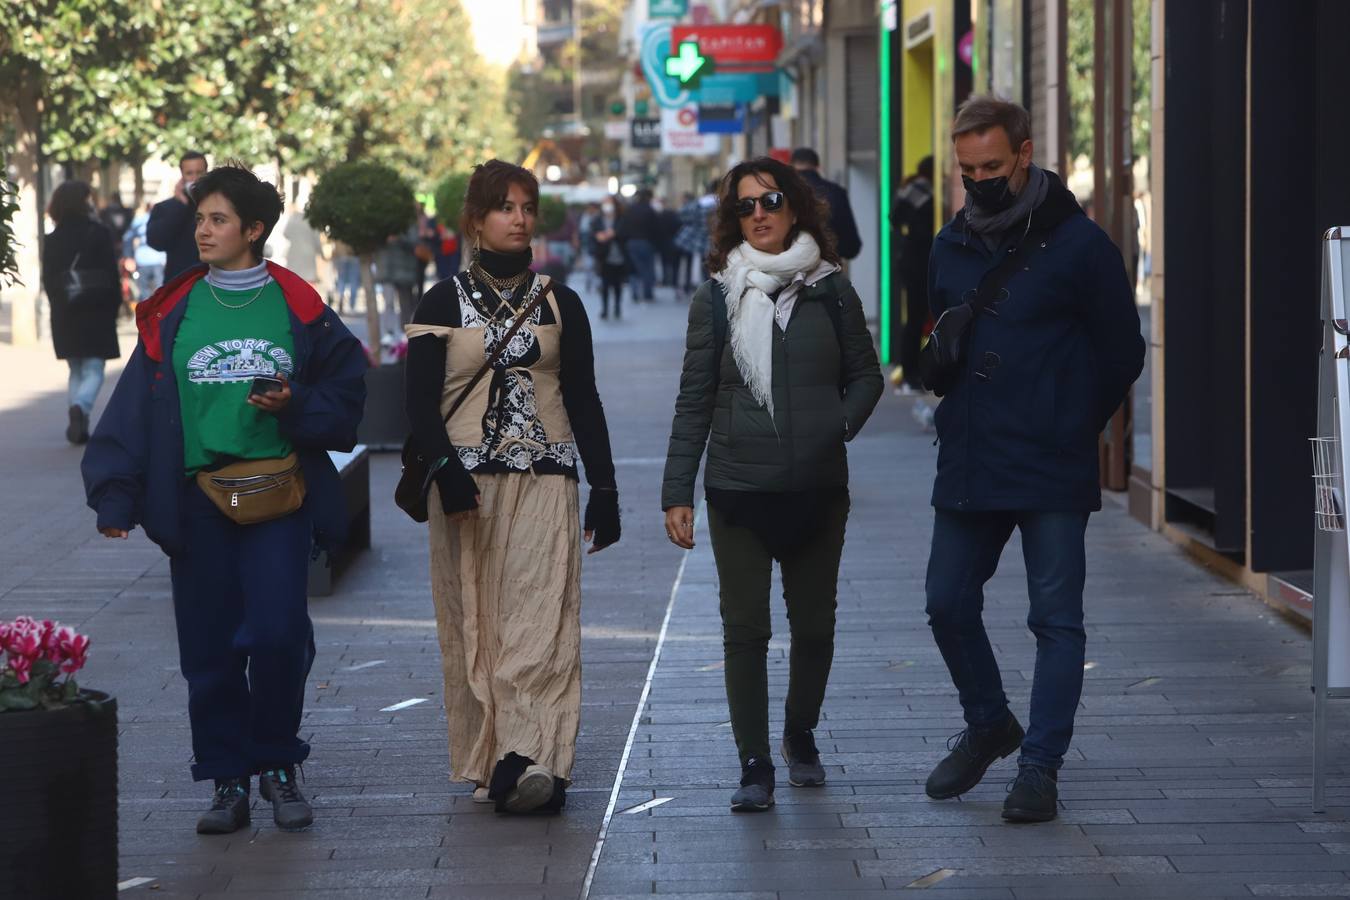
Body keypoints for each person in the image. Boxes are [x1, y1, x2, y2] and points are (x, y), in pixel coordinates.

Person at [82, 163, 367, 836]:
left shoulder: (297, 304)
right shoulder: (175, 309)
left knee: (275, 633)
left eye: (217, 220)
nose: (202, 230)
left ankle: (277, 763)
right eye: (199, 220)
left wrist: (297, 404)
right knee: (208, 650)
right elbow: (131, 409)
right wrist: (116, 497)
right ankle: (227, 778)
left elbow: (349, 386)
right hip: (198, 502)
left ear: (253, 229)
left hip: (280, 497)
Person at [921, 96, 1145, 823]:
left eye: (992, 166)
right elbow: (928, 332)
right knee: (946, 601)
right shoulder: (948, 246)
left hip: (1050, 459)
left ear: (1024, 153)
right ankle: (989, 720)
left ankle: (1039, 768)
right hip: (971, 454)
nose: (979, 180)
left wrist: (1071, 417)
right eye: (967, 170)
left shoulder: (1080, 245)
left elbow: (1122, 351)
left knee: (1056, 619)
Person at [661, 157, 883, 812]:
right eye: (744, 206)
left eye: (771, 200)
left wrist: (834, 425)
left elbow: (867, 377)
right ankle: (754, 762)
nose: (758, 213)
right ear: (731, 220)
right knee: (745, 629)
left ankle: (799, 732)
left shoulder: (832, 290)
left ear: (796, 209)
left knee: (814, 627)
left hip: (817, 488)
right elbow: (693, 400)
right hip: (738, 490)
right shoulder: (715, 299)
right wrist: (677, 491)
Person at [403, 160, 620, 815]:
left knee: (542, 622)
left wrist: (605, 488)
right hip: (465, 489)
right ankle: (493, 756)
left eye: (527, 206)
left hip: (546, 480)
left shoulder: (562, 300)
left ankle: (535, 760)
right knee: (476, 625)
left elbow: (582, 396)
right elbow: (418, 405)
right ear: (475, 219)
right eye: (505, 206)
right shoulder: (441, 300)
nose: (519, 217)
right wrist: (447, 473)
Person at [41, 180, 123, 444]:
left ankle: (79, 420)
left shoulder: (52, 238)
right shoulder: (98, 232)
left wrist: (58, 304)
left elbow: (48, 279)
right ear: (84, 201)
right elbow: (112, 274)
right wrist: (115, 305)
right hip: (96, 307)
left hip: (65, 310)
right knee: (95, 367)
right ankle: (81, 407)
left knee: (76, 368)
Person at [892, 156, 935, 392]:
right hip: (919, 260)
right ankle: (911, 372)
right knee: (918, 318)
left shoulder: (912, 189)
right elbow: (897, 218)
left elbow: (896, 219)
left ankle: (912, 370)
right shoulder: (923, 190)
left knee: (917, 318)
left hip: (913, 260)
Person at [790, 148, 862, 261]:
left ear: (791, 166)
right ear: (818, 167)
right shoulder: (836, 192)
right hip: (827, 268)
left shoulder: (783, 192)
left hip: (789, 268)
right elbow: (852, 246)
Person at [148, 151, 209, 278]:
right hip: (179, 281)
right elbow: (156, 242)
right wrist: (181, 205)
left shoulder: (219, 205)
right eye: (189, 173)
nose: (195, 178)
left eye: (199, 172)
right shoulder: (165, 208)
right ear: (182, 176)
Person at [376, 220, 422, 335]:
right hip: (388, 269)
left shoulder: (409, 223)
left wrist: (399, 238)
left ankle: (404, 333)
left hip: (404, 271)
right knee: (388, 302)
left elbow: (415, 242)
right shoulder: (382, 220)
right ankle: (388, 332)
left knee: (405, 303)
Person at [591, 199, 628, 320]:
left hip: (619, 256)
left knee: (618, 284)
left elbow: (621, 233)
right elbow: (596, 236)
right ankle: (605, 309)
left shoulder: (620, 219)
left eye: (609, 203)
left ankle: (617, 306)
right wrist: (608, 234)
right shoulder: (598, 220)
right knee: (605, 284)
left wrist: (608, 234)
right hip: (604, 257)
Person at [125, 202, 167, 303]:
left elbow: (127, 238)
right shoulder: (162, 220)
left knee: (145, 292)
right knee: (159, 291)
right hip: (156, 260)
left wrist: (129, 256)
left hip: (147, 261)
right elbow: (128, 238)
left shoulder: (140, 220)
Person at [621, 189, 659, 302]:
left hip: (632, 242)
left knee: (634, 268)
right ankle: (647, 293)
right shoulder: (650, 210)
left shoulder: (630, 210)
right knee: (647, 268)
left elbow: (624, 227)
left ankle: (635, 292)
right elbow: (656, 228)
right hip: (646, 242)